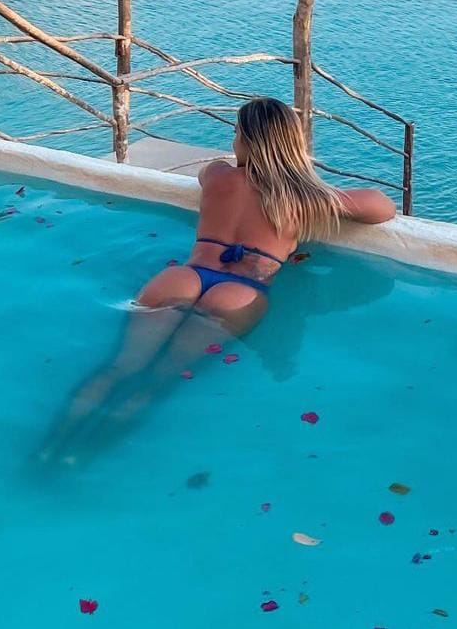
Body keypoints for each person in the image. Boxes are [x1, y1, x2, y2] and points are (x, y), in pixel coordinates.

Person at [38, 97, 397, 463]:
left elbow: (208, 173)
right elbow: (382, 207)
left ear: (245, 140)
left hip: (182, 277)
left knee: (118, 368)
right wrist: (318, 192)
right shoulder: (306, 199)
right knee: (160, 379)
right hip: (240, 294)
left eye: (236, 134)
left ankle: (49, 449)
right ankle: (80, 459)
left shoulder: (218, 175)